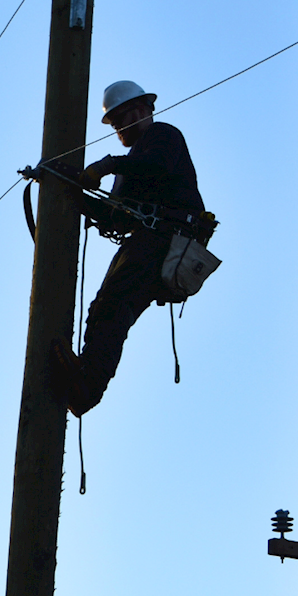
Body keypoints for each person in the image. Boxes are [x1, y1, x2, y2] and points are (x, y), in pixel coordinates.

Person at [51, 80, 206, 416]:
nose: (119, 127)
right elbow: (114, 217)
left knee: (114, 305)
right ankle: (86, 380)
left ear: (143, 110)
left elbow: (157, 166)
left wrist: (107, 165)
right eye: (115, 122)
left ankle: (89, 384)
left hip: (166, 239)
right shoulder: (132, 162)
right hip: (148, 241)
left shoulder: (163, 136)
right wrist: (73, 193)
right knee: (106, 308)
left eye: (122, 118)